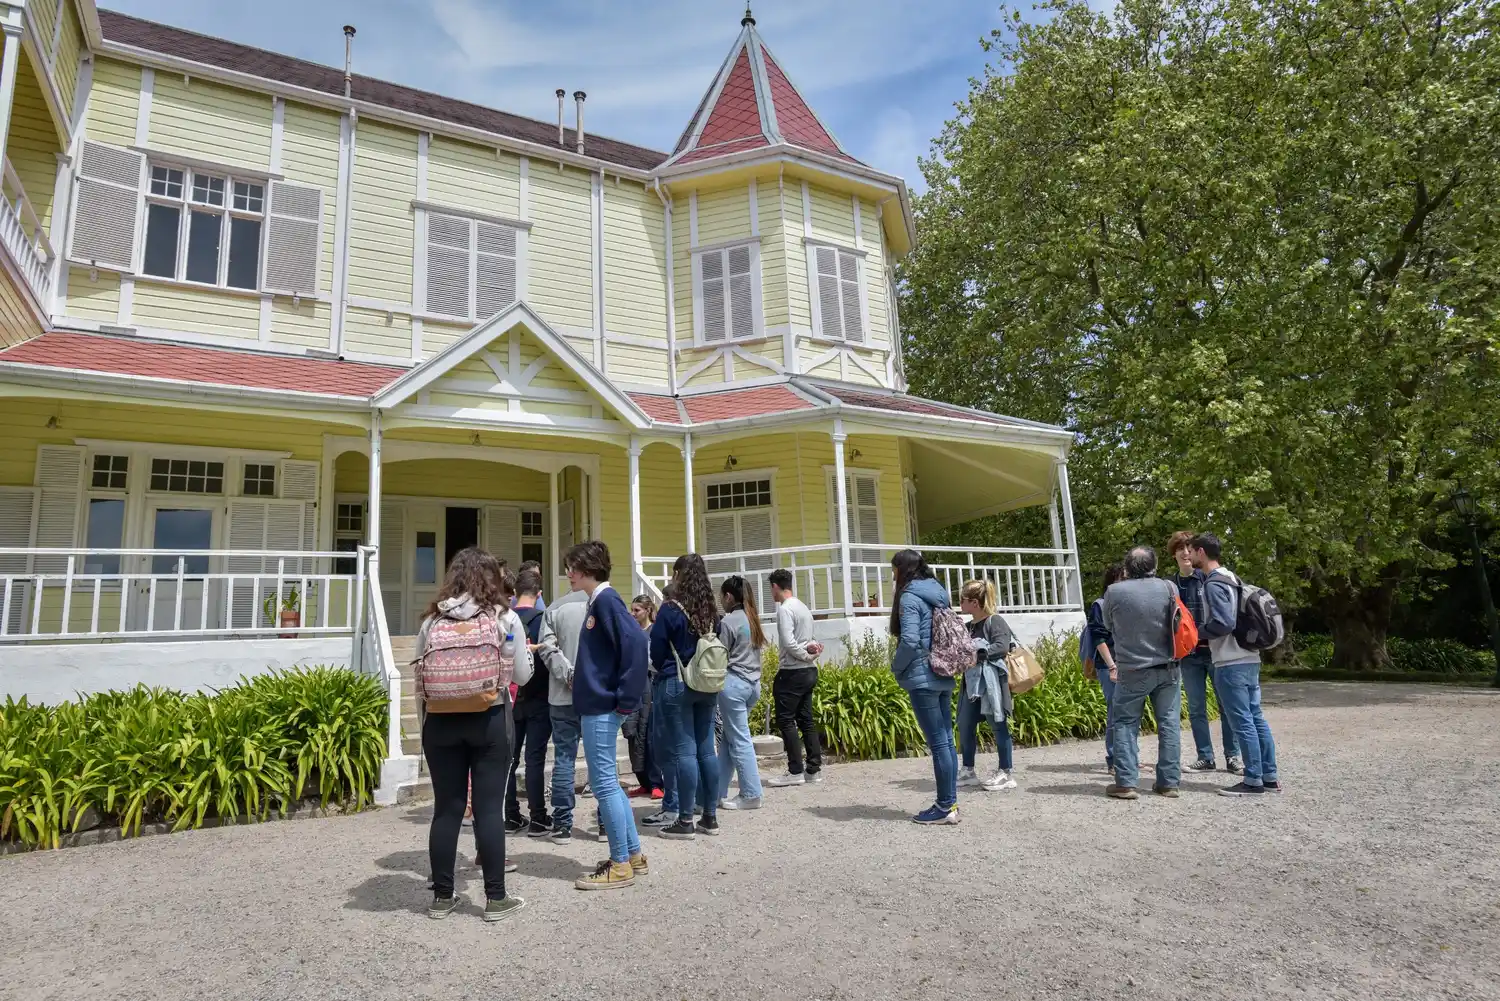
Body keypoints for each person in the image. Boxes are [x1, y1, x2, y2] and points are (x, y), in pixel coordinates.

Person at [414, 546, 528, 921]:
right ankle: (496, 899)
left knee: (446, 809)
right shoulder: (504, 618)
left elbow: (420, 683)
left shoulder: (433, 621)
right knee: (488, 809)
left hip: (440, 721)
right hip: (490, 717)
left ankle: (442, 898)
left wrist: (426, 724)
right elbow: (522, 676)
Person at [561, 540, 649, 889]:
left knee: (605, 785)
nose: (569, 573)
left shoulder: (607, 602)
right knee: (610, 783)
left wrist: (624, 700)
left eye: (573, 567)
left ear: (587, 569)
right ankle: (633, 855)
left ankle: (620, 864)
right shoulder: (600, 601)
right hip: (600, 704)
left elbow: (637, 645)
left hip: (602, 707)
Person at [1189, 532, 1281, 797]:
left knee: (1242, 721)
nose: (1190, 555)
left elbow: (1224, 623)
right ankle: (1269, 776)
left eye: (1193, 551)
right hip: (1250, 657)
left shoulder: (1214, 584)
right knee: (1255, 717)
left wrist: (1196, 632)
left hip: (1230, 661)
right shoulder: (1232, 578)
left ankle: (1253, 780)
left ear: (1201, 553)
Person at [1101, 546, 1183, 800]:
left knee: (1125, 723)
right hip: (1168, 666)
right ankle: (1168, 782)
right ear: (1154, 565)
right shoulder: (1169, 587)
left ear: (1127, 568)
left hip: (1132, 668)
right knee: (1169, 723)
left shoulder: (1114, 591)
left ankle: (1126, 782)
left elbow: (1107, 624)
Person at [651, 554, 722, 840]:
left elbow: (656, 651)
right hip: (706, 682)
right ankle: (710, 816)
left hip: (676, 681)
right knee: (706, 749)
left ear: (679, 574)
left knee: (684, 751)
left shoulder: (670, 609)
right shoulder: (710, 611)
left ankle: (684, 819)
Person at [890, 549, 960, 825]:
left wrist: (897, 667)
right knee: (947, 741)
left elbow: (909, 641)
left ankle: (944, 806)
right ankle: (950, 802)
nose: (892, 575)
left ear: (902, 570)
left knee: (939, 742)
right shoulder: (937, 592)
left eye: (893, 569)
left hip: (922, 676)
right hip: (944, 671)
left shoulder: (909, 597)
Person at [1167, 531, 1240, 774]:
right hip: (1188, 655)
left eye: (1189, 547)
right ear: (1174, 553)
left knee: (1226, 705)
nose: (1185, 552)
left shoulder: (1207, 578)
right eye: (1180, 548)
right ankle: (1205, 756)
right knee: (1196, 708)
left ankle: (1233, 756)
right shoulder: (1171, 585)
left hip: (1215, 651)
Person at [536, 555, 590, 843]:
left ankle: (562, 824)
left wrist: (568, 674)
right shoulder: (602, 604)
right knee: (599, 760)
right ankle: (605, 823)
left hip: (562, 694)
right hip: (595, 695)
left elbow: (547, 649)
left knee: (564, 758)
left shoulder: (555, 608)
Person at [764, 568, 825, 787]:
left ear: (775, 587)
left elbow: (789, 643)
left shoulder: (785, 610)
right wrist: (812, 653)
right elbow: (809, 639)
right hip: (809, 672)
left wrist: (805, 656)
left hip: (792, 671)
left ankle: (795, 770)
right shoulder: (803, 607)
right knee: (806, 718)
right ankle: (814, 769)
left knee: (786, 720)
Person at [503, 570, 552, 837]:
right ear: (539, 594)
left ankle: (510, 815)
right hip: (538, 695)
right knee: (535, 759)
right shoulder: (542, 621)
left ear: (514, 593)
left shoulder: (505, 619)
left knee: (509, 760)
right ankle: (538, 817)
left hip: (510, 697)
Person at [956, 579, 1018, 792]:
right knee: (965, 725)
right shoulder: (968, 626)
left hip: (992, 684)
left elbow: (1001, 647)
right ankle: (968, 770)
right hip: (971, 684)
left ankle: (1006, 772)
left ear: (974, 602)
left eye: (962, 599)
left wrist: (977, 654)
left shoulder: (995, 621)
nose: (960, 604)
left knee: (998, 724)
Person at [716, 575, 767, 810]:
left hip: (733, 685)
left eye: (722, 597)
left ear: (728, 596)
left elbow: (719, 655)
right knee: (729, 740)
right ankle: (716, 793)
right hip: (753, 685)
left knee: (739, 740)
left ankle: (751, 794)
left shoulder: (728, 621)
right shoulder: (752, 618)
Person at [1087, 563, 1126, 774]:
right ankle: (1114, 758)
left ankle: (1128, 756)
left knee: (1127, 712)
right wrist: (1112, 666)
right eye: (1122, 578)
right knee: (1115, 710)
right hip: (1109, 665)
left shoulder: (1126, 604)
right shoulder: (1100, 605)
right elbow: (1098, 638)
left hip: (1127, 663)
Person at [624, 594, 662, 799]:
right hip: (633, 686)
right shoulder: (631, 632)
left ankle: (656, 782)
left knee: (649, 736)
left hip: (650, 685)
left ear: (647, 610)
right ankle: (643, 781)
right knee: (633, 733)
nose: (633, 614)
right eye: (632, 610)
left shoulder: (653, 631)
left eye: (637, 610)